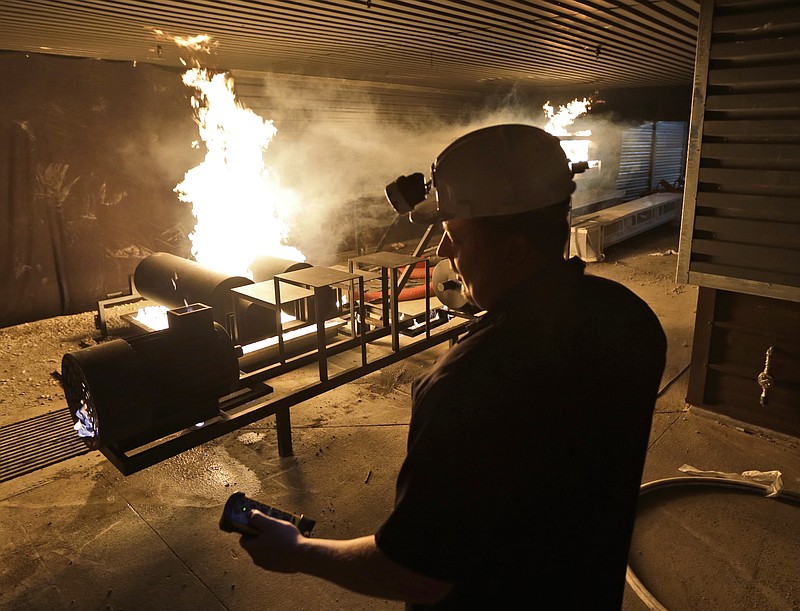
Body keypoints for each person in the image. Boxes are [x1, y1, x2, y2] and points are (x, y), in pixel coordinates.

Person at [238, 124, 667, 609]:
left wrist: (298, 551)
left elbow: (416, 574)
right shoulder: (630, 319)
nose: (443, 254)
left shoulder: (466, 382)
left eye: (455, 238)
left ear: (515, 250)